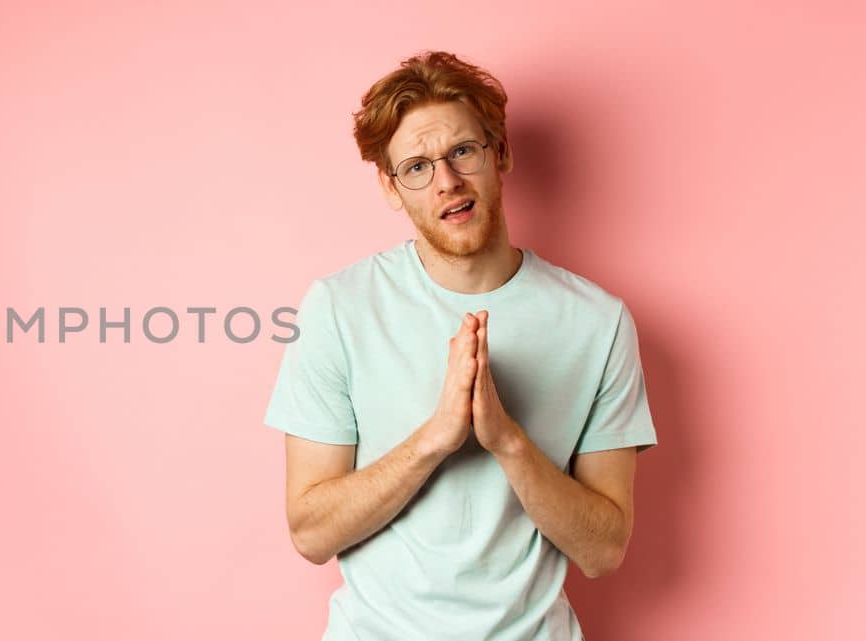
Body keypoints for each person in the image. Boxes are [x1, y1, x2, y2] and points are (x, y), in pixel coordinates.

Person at [263, 51, 658, 641]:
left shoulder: (598, 323)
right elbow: (311, 533)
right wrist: (435, 439)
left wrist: (506, 441)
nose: (446, 181)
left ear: (500, 153)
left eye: (462, 152)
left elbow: (604, 551)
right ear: (391, 188)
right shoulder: (339, 308)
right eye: (417, 166)